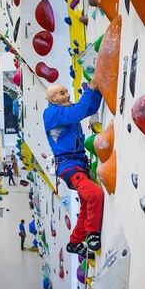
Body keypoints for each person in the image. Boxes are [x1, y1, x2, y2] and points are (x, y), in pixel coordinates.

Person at [43, 82, 104, 256]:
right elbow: (77, 112)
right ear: (53, 99)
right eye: (62, 93)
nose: (67, 95)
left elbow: (88, 109)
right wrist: (90, 89)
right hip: (69, 166)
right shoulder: (52, 113)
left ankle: (75, 242)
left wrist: (99, 91)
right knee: (95, 194)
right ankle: (92, 233)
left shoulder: (62, 111)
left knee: (86, 203)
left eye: (66, 91)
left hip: (76, 163)